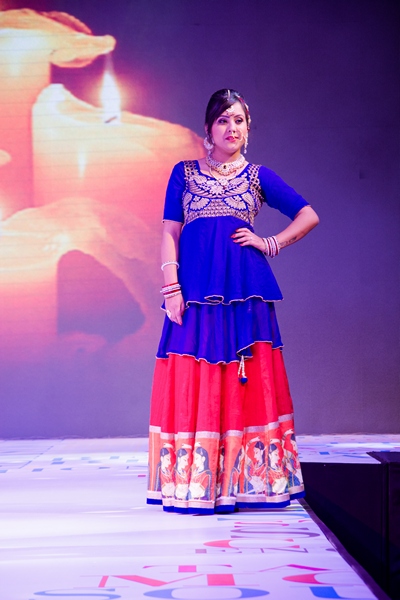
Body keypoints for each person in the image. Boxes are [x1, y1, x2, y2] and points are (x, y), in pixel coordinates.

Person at [147, 88, 319, 514]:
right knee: (195, 373)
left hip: (245, 292)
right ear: (208, 129)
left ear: (248, 128)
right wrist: (171, 287)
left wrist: (270, 243)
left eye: (239, 120)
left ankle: (248, 484)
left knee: (248, 375)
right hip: (196, 291)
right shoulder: (184, 173)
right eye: (223, 120)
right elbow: (169, 232)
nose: (231, 128)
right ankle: (197, 483)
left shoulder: (258, 176)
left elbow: (308, 215)